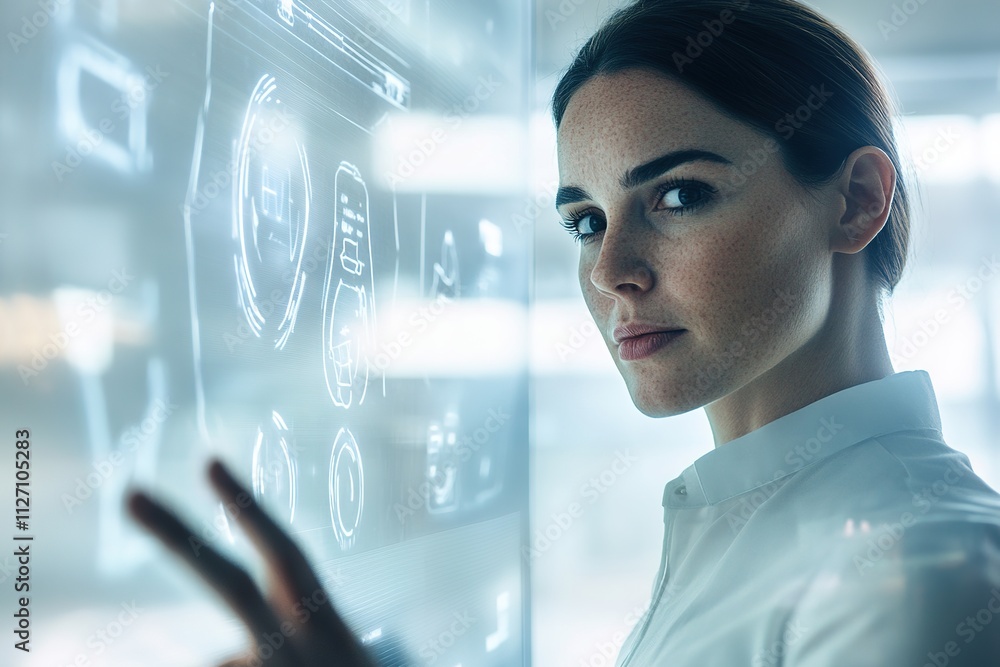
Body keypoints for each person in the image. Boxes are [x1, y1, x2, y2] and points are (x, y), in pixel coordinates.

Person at [128, 0, 1000, 665]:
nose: (610, 268)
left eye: (680, 195)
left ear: (855, 202)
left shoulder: (916, 574)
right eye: (585, 220)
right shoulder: (756, 527)